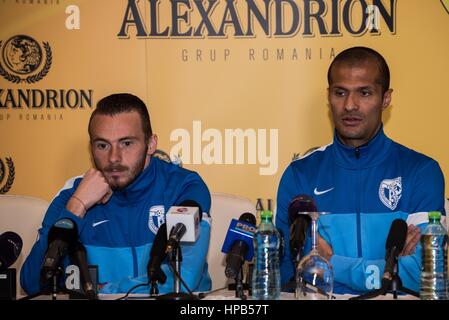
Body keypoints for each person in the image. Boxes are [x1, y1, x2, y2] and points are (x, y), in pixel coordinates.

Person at [276, 47, 446, 295]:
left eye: (364, 93)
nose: (349, 105)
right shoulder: (299, 175)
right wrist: (389, 268)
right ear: (329, 96)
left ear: (385, 98)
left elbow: (419, 277)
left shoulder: (421, 172)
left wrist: (331, 263)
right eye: (340, 92)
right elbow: (288, 277)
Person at [21, 93, 212, 295]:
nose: (113, 158)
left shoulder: (184, 187)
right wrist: (76, 207)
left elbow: (183, 280)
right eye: (103, 145)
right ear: (91, 147)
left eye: (126, 143)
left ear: (151, 144)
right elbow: (33, 285)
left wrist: (108, 292)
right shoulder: (73, 195)